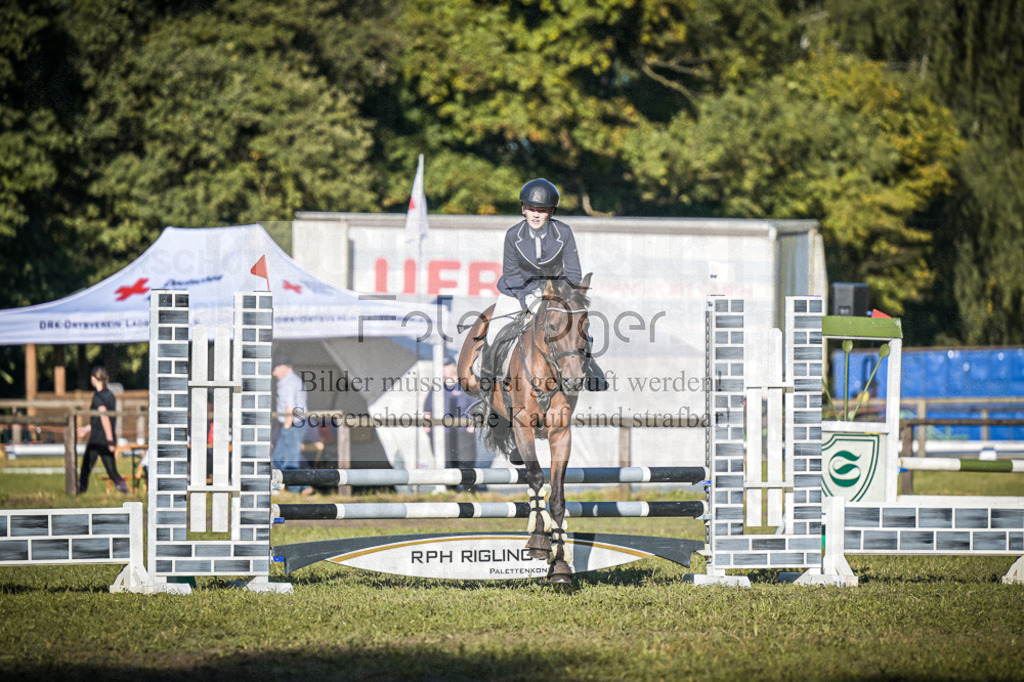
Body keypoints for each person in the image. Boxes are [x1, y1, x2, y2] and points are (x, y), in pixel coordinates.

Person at [477, 178, 607, 390]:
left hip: (555, 293)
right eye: (531, 209)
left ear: (551, 212)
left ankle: (591, 368)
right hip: (516, 291)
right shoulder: (513, 235)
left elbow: (573, 273)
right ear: (523, 209)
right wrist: (527, 298)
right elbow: (510, 274)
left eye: (542, 210)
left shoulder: (564, 233)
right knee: (495, 330)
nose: (536, 214)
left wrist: (562, 295)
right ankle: (487, 386)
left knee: (578, 327)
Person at [76, 367, 129, 494]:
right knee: (112, 471)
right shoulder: (111, 395)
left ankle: (77, 493)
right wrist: (87, 428)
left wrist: (110, 440)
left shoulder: (97, 397)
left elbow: (104, 417)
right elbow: (100, 420)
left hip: (97, 440)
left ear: (94, 378)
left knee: (85, 469)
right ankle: (126, 492)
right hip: (105, 437)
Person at [423, 356, 477, 476]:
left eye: (446, 366)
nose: (444, 369)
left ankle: (469, 491)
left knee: (466, 464)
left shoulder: (464, 386)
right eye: (442, 367)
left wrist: (473, 424)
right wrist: (427, 426)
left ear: (454, 367)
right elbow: (427, 410)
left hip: (463, 433)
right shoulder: (436, 388)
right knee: (446, 465)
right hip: (443, 433)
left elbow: (476, 407)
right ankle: (449, 491)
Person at [271, 355, 312, 495]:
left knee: (287, 460)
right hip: (295, 424)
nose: (273, 373)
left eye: (275, 369)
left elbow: (290, 408)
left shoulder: (288, 383)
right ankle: (303, 487)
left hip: (292, 424)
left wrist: (286, 428)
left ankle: (294, 492)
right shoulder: (294, 380)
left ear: (283, 367)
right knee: (280, 457)